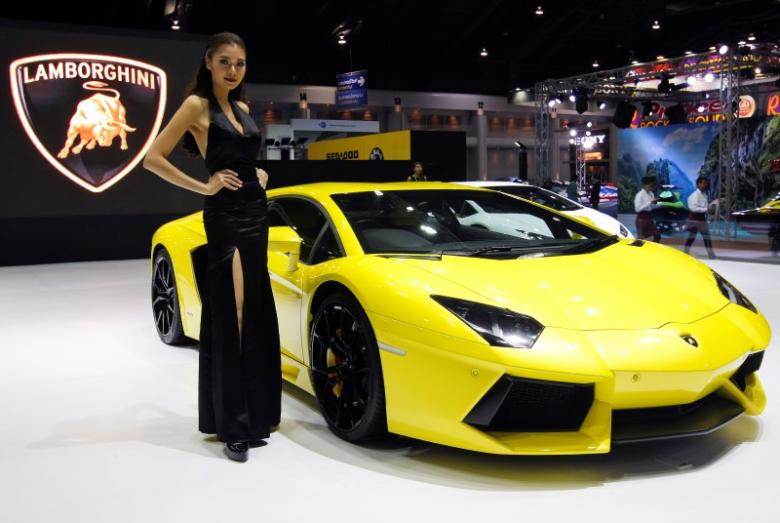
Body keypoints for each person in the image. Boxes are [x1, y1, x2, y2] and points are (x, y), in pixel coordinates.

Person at [143, 32, 281, 463]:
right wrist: (204, 184)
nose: (232, 70)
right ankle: (232, 424)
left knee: (255, 307)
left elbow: (243, 157)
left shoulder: (242, 108)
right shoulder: (195, 106)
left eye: (239, 63)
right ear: (208, 62)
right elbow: (153, 156)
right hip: (225, 217)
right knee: (234, 311)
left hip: (257, 214)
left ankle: (255, 415)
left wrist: (258, 173)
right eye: (224, 62)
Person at [684, 176, 716, 259]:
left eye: (705, 183)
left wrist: (708, 210)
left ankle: (711, 254)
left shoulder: (704, 195)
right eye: (701, 183)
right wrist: (707, 209)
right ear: (698, 184)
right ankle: (685, 252)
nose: (704, 185)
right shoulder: (694, 195)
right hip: (694, 218)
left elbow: (704, 207)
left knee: (705, 237)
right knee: (692, 237)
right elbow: (693, 208)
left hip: (701, 218)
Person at [634, 175, 661, 242]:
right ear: (644, 185)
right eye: (650, 186)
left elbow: (651, 206)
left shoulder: (651, 193)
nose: (651, 188)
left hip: (649, 217)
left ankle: (652, 250)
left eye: (652, 186)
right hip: (641, 218)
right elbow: (637, 209)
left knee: (657, 236)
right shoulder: (639, 195)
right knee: (641, 240)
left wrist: (659, 204)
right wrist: (650, 202)